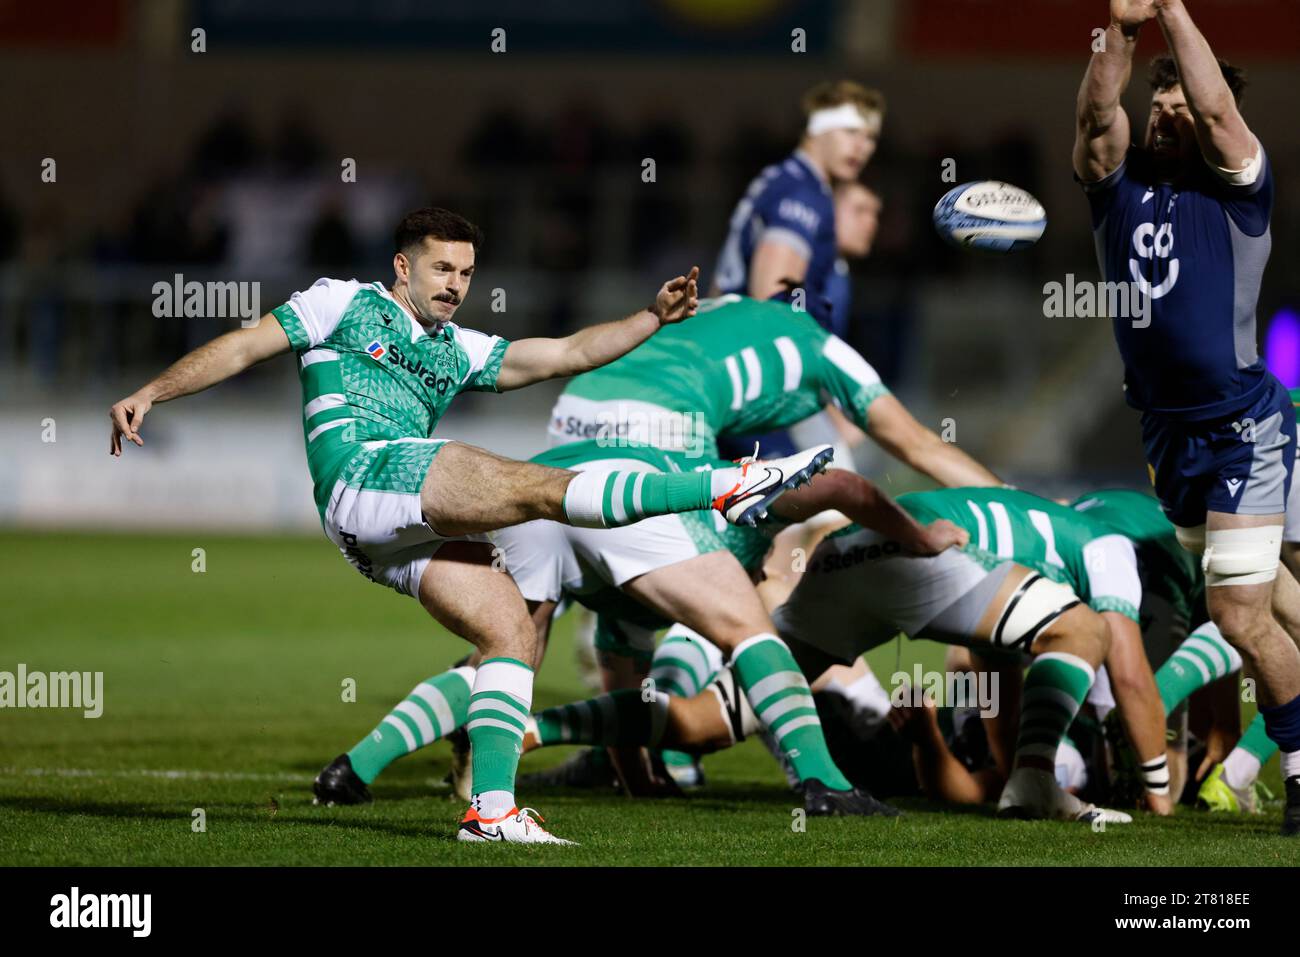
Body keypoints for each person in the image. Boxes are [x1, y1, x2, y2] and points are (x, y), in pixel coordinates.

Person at [107, 207, 833, 845]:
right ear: (402, 265)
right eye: (442, 267)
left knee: (510, 630)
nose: (455, 282)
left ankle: (491, 811)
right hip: (367, 473)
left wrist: (649, 318)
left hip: (386, 528)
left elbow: (563, 353)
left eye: (466, 270)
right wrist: (151, 391)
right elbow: (242, 344)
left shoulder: (457, 348)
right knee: (536, 488)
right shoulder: (340, 303)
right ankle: (726, 485)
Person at [1074, 0, 1299, 834]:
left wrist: (1169, 8)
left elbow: (1215, 109)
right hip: (1169, 434)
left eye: (1180, 111)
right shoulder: (1114, 192)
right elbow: (1099, 111)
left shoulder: (1241, 189)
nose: (1166, 120)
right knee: (1272, 609)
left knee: (1241, 613)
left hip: (1248, 424)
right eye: (1155, 110)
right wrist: (1123, 32)